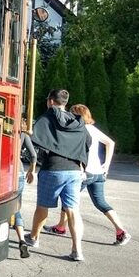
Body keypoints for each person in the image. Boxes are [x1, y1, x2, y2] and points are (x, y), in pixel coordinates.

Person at [43, 105, 131, 245]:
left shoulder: (79, 129)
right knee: (101, 203)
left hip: (85, 172)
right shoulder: (92, 129)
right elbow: (110, 143)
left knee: (68, 199)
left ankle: (61, 227)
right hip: (98, 172)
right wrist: (106, 164)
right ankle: (121, 231)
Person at [25, 89, 91, 262]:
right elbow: (88, 141)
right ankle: (77, 250)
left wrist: (32, 165)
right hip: (75, 170)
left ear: (51, 101)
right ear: (65, 103)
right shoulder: (77, 121)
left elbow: (33, 137)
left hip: (53, 169)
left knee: (43, 206)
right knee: (73, 210)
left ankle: (33, 238)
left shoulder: (47, 117)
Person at [14, 119, 37, 258]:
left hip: (5, 172)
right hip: (19, 172)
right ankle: (22, 239)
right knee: (16, 208)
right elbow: (33, 155)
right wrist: (31, 171)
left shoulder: (4, 131)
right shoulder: (23, 134)